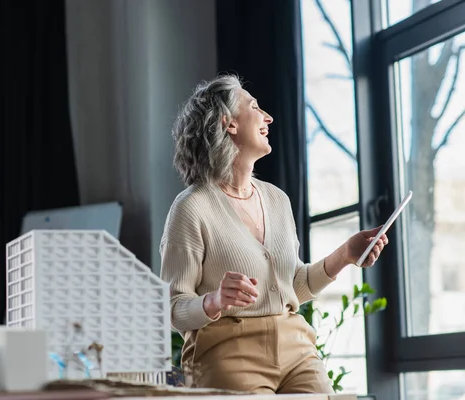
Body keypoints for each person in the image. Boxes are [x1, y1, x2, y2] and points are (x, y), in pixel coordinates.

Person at [159, 74, 388, 394]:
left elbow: (293, 285)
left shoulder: (278, 200)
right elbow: (173, 309)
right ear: (229, 124)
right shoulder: (191, 208)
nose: (268, 117)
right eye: (254, 106)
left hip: (297, 351)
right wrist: (214, 301)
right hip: (226, 353)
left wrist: (345, 255)